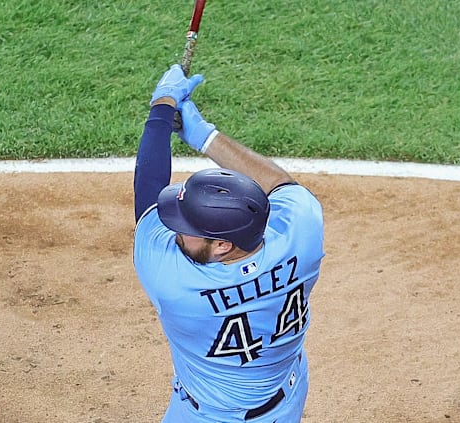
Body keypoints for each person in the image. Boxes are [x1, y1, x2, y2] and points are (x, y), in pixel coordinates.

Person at [133, 64, 325, 422]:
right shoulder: (302, 231)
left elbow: (147, 192)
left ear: (222, 245)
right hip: (286, 398)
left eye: (187, 226)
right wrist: (203, 135)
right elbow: (279, 183)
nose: (175, 228)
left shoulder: (173, 282)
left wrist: (162, 107)